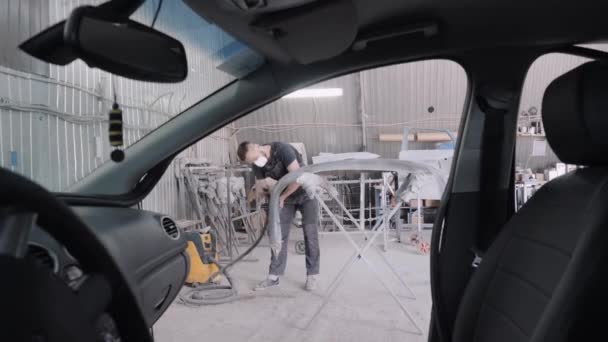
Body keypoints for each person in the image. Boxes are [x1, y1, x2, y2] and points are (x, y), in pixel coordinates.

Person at [237, 141, 320, 291]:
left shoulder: (282, 150)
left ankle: (312, 275)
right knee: (278, 235)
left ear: (256, 147)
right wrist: (254, 197)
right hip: (285, 196)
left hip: (305, 193)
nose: (256, 163)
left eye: (255, 158)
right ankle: (274, 276)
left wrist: (281, 197)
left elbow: (297, 177)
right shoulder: (257, 165)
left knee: (310, 234)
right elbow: (263, 185)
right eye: (252, 162)